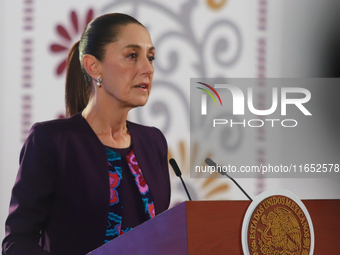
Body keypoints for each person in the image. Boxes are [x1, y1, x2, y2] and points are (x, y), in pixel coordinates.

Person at [2, 13, 171, 255]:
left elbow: (162, 235)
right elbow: (17, 242)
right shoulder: (52, 141)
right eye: (132, 56)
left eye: (150, 57)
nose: (147, 69)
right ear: (93, 66)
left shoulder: (153, 142)